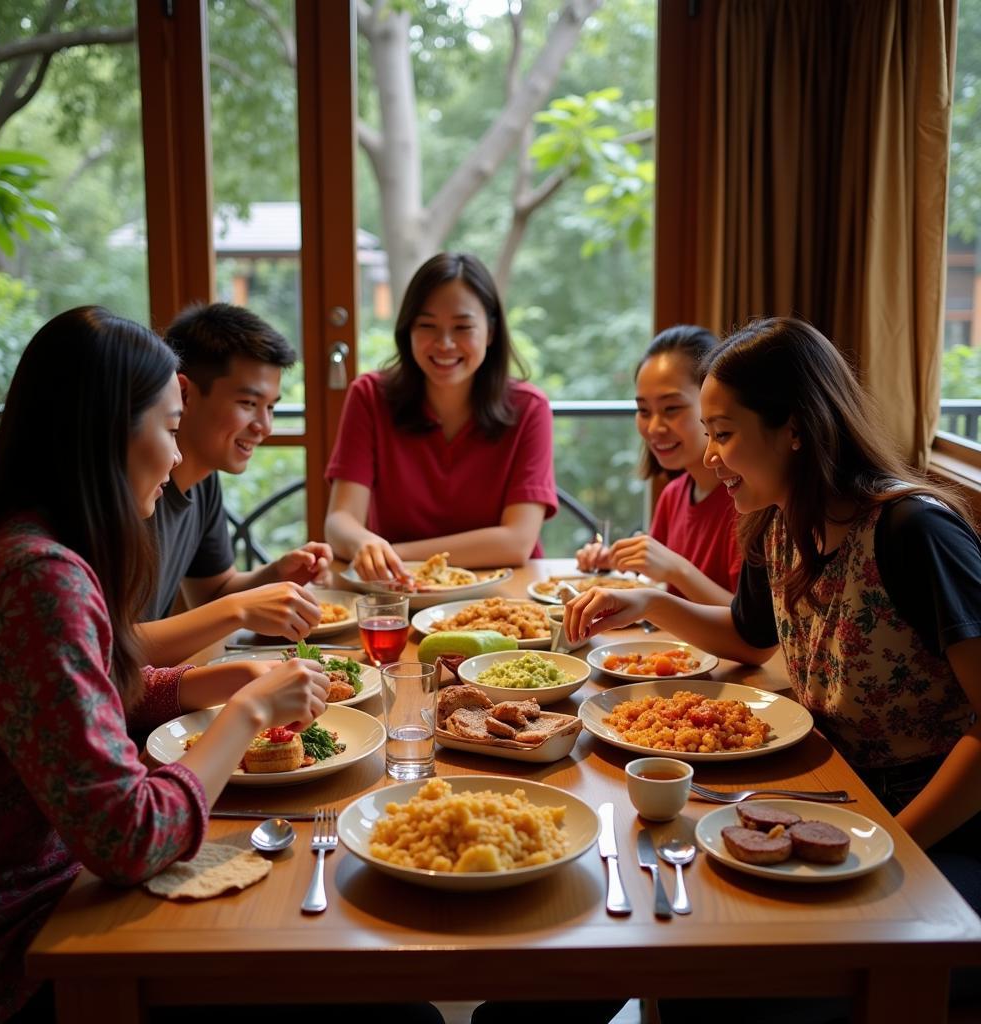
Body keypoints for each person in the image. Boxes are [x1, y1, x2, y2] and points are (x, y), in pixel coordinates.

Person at [564, 317, 981, 1020]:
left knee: (736, 987)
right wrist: (645, 601)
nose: (710, 454)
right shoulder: (779, 520)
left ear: (793, 427)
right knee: (682, 922)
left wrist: (896, 838)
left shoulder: (914, 532)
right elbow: (751, 637)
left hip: (942, 828)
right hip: (834, 798)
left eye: (722, 432)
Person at [0, 307, 330, 1023]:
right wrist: (249, 713)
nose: (174, 453)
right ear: (107, 433)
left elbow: (87, 699)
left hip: (61, 902)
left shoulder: (31, 543)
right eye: (167, 426)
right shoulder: (38, 578)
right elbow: (126, 840)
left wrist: (199, 681)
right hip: (19, 950)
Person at [324, 252, 557, 582]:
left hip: (503, 597)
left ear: (490, 332)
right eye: (427, 326)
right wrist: (364, 542)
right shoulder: (370, 397)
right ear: (408, 331)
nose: (445, 343)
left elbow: (517, 541)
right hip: (398, 595)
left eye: (462, 327)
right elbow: (340, 519)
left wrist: (390, 553)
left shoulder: (529, 408)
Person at [137, 303, 332, 667]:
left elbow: (212, 592)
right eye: (248, 403)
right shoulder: (137, 490)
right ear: (184, 393)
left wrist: (276, 575)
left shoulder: (203, 481)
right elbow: (113, 646)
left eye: (271, 407)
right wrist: (239, 608)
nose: (265, 426)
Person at [576, 325, 739, 604]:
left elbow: (756, 630)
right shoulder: (673, 495)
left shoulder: (747, 502)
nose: (653, 427)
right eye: (643, 410)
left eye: (671, 408)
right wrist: (615, 562)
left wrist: (676, 569)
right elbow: (658, 581)